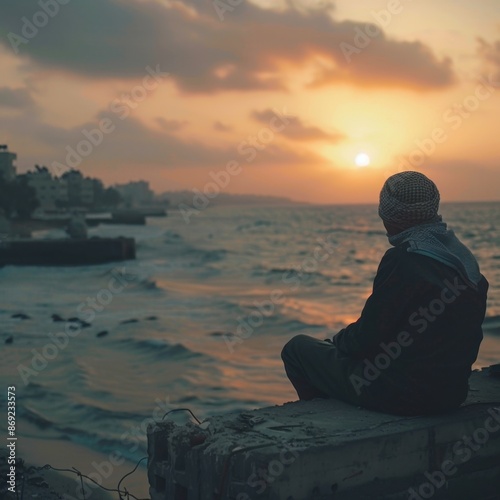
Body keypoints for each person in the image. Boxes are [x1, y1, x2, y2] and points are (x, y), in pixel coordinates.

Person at [281, 171, 489, 416]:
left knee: (296, 349)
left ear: (390, 216)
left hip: (402, 395)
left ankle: (324, 418)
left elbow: (367, 337)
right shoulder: (463, 260)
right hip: (451, 394)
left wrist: (336, 343)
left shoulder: (404, 258)